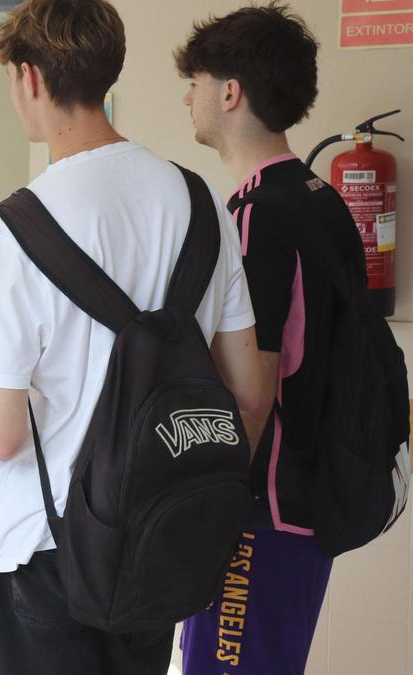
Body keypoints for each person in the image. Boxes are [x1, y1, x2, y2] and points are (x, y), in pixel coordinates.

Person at [0, 1, 270, 673]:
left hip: (46, 547)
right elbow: (248, 396)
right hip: (160, 534)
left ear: (30, 78)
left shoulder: (7, 234)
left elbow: (5, 433)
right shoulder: (201, 202)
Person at [175, 5, 362, 673]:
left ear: (230, 92)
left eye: (195, 82)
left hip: (261, 507)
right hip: (309, 500)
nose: (188, 97)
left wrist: (209, 511)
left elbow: (251, 392)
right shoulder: (319, 195)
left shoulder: (256, 217)